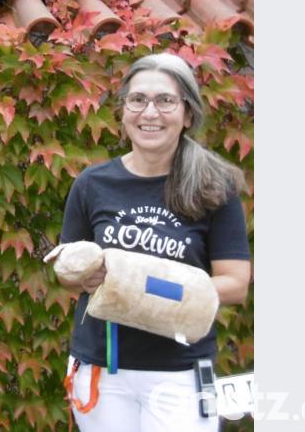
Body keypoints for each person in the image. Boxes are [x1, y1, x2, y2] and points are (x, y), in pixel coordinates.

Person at [57, 52, 251, 431]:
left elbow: (235, 285)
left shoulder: (214, 187)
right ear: (123, 110)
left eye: (165, 101)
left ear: (187, 114)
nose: (150, 113)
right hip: (102, 367)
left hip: (181, 372)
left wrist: (146, 288)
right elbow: (67, 274)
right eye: (138, 100)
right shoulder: (91, 184)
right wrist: (82, 274)